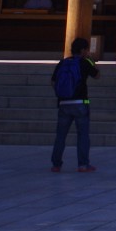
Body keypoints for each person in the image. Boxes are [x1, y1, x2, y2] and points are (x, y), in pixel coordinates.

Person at [49, 37, 99, 173]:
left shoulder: (63, 63)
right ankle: (83, 164)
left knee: (61, 135)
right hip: (80, 103)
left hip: (64, 103)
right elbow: (97, 75)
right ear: (83, 50)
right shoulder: (85, 62)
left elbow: (53, 82)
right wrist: (91, 59)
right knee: (82, 134)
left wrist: (61, 94)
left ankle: (56, 164)